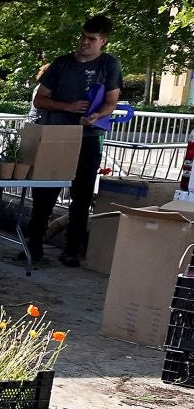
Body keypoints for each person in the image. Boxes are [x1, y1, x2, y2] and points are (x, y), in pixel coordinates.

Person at [23, 14, 122, 267]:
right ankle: (33, 244)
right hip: (56, 134)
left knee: (82, 194)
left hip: (89, 137)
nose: (84, 43)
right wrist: (68, 106)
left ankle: (72, 249)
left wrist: (98, 115)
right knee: (45, 191)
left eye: (91, 39)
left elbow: (111, 101)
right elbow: (40, 99)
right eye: (83, 37)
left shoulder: (109, 64)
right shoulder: (62, 63)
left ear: (103, 41)